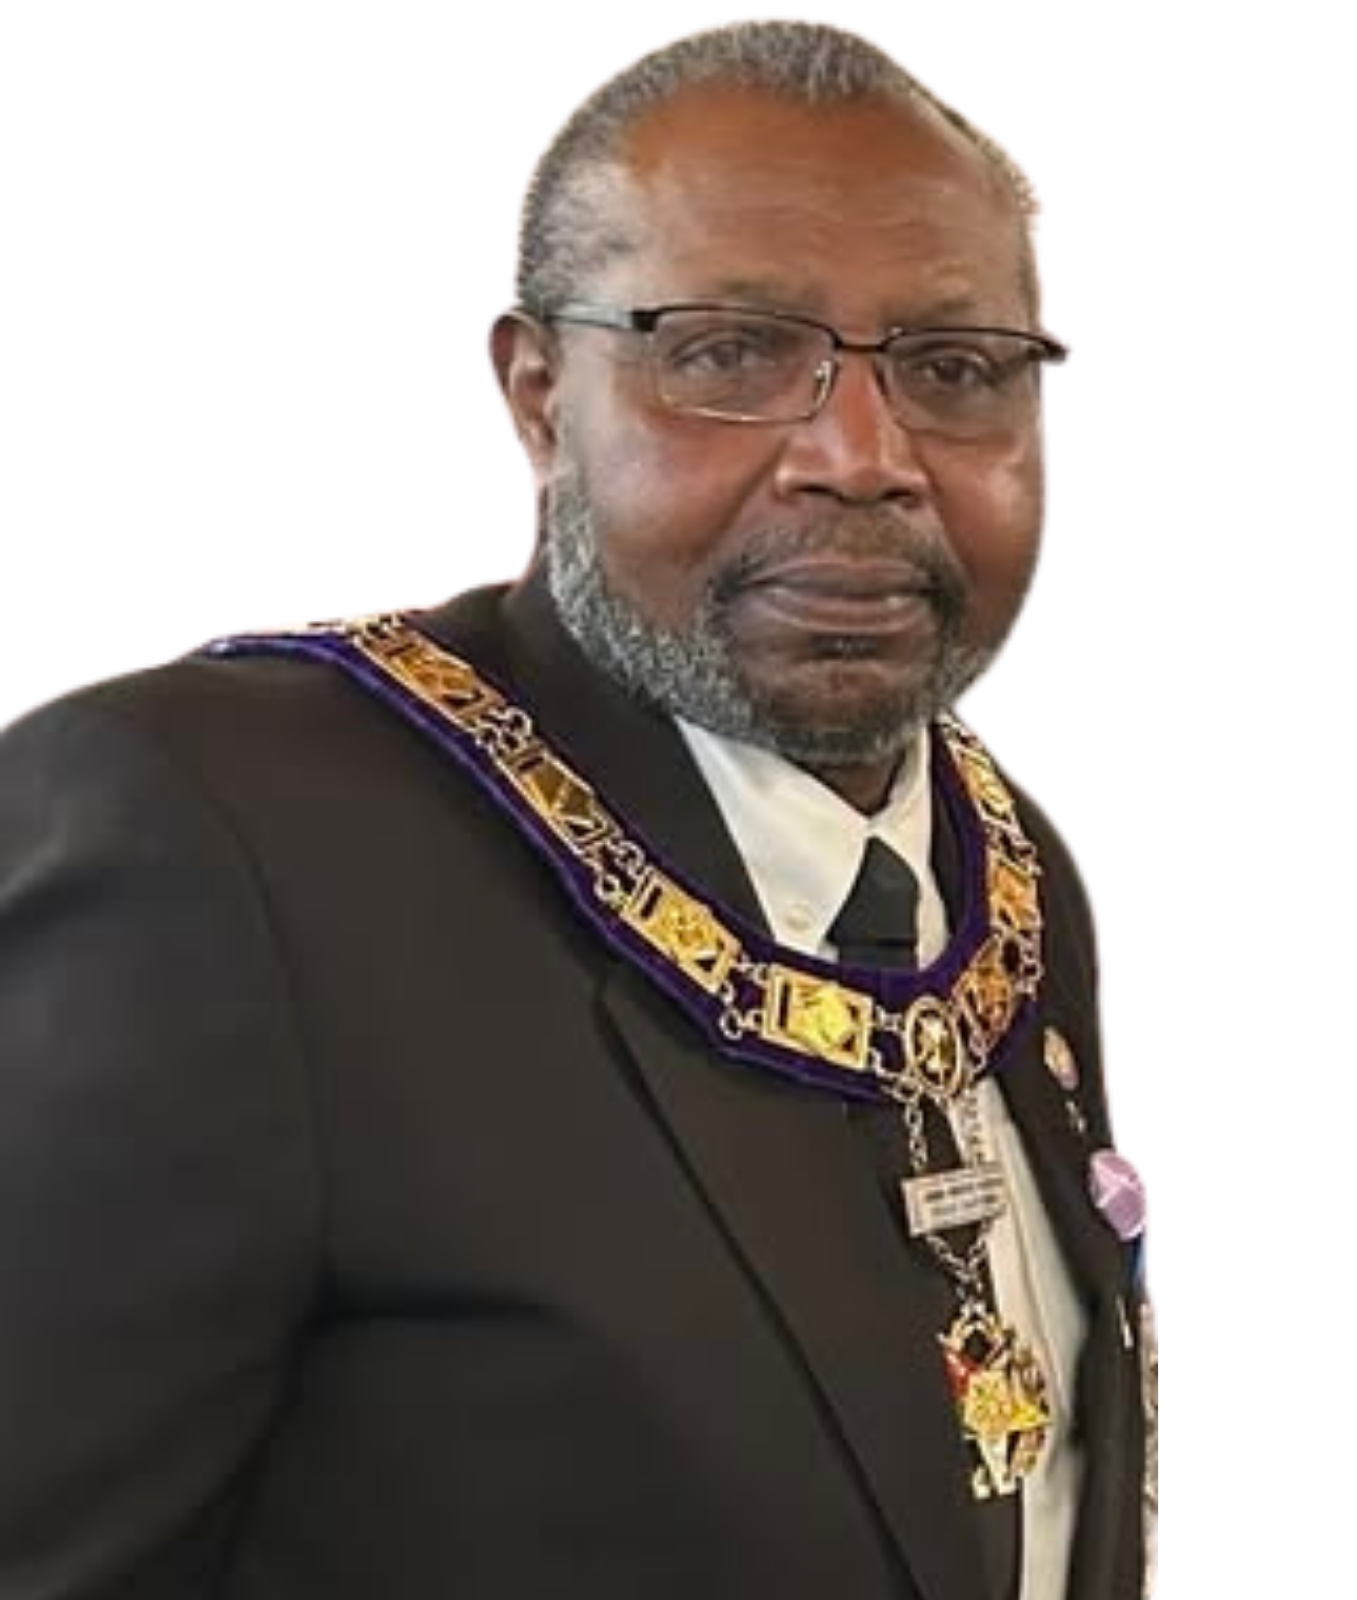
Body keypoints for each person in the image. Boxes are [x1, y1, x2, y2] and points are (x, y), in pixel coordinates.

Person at [0, 16, 1152, 1599]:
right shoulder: (211, 836)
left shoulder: (1005, 846)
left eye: (955, 371)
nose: (861, 456)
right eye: (730, 352)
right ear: (538, 399)